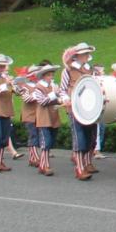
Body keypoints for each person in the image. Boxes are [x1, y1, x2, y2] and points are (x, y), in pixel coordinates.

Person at [59, 43, 98, 180]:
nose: (88, 56)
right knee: (79, 138)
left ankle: (87, 163)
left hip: (91, 108)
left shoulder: (91, 70)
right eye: (85, 53)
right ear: (77, 56)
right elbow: (62, 90)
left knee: (91, 138)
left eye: (88, 53)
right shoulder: (68, 70)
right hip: (75, 109)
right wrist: (65, 99)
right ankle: (79, 168)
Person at [31, 64, 63, 176]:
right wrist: (54, 94)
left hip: (53, 116)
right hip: (44, 118)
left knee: (50, 142)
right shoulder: (38, 87)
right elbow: (42, 101)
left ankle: (44, 164)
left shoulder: (52, 86)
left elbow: (57, 100)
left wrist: (60, 99)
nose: (52, 77)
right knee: (46, 142)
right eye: (49, 75)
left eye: (52, 74)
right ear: (43, 76)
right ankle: (44, 166)